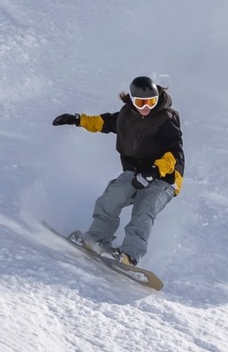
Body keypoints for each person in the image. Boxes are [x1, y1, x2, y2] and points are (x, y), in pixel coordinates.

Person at [51, 76, 183, 268]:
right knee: (112, 196)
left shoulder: (166, 120)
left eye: (151, 102)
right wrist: (77, 120)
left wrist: (154, 171)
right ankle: (96, 239)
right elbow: (104, 122)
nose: (146, 107)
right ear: (132, 99)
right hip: (136, 172)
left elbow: (174, 153)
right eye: (140, 102)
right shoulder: (127, 115)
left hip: (165, 178)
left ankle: (130, 255)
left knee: (144, 208)